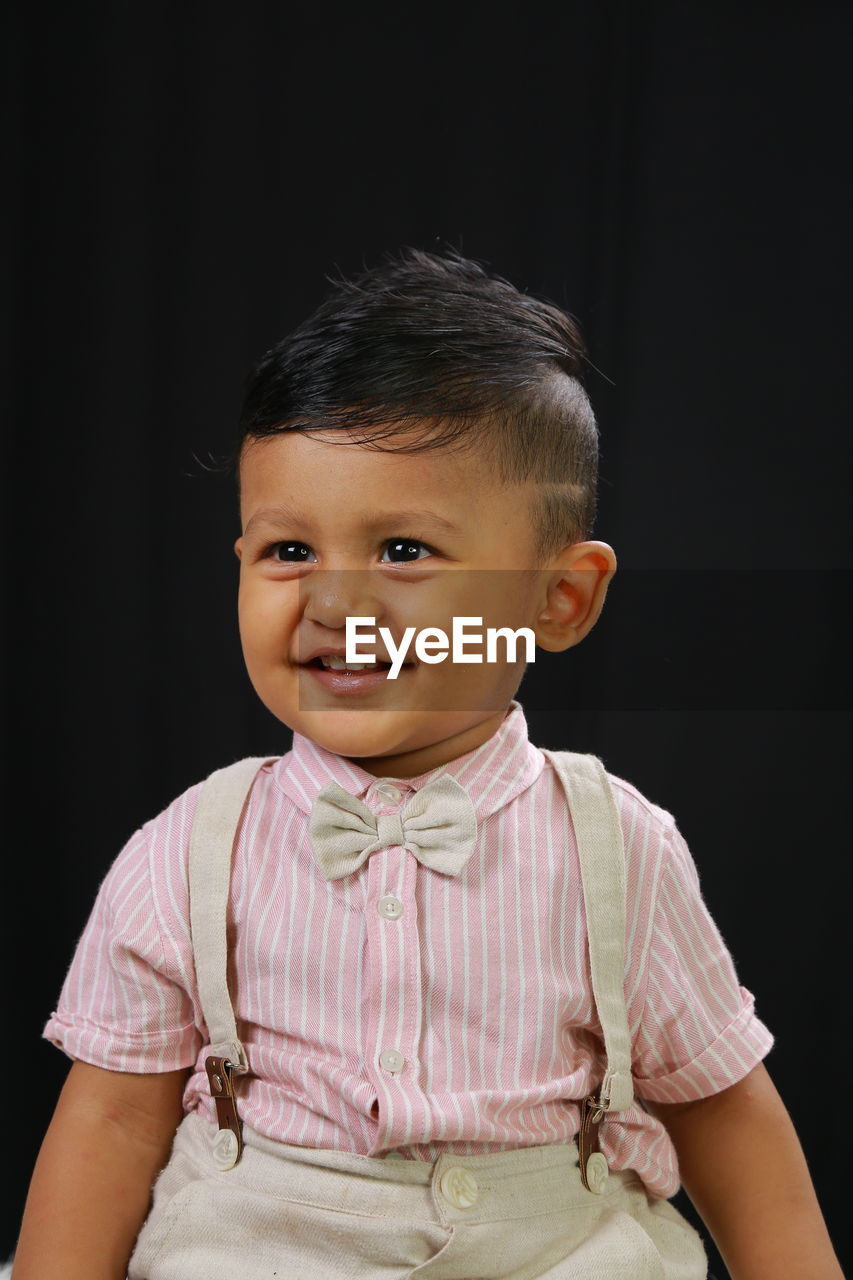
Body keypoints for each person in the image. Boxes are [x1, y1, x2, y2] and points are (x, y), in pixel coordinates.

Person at [10, 248, 842, 1279]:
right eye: (287, 550)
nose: (333, 601)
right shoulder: (185, 851)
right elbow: (110, 1124)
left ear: (558, 599)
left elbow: (723, 1108)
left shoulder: (616, 844)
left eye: (403, 550)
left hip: (554, 1248)